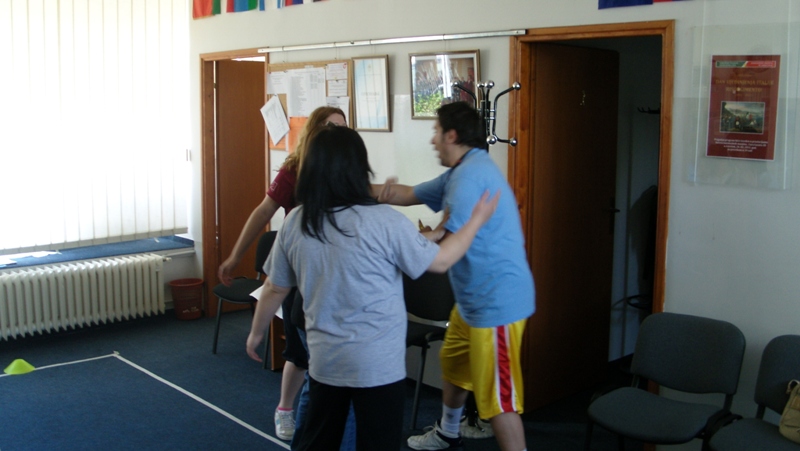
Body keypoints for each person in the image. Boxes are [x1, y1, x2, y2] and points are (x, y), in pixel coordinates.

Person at [245, 125, 499, 451]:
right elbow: (441, 262)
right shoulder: (385, 221)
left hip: (327, 363)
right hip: (379, 367)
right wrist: (476, 220)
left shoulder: (297, 221)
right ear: (359, 169)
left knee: (320, 440)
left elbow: (274, 288)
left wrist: (257, 331)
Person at [375, 101, 535, 451]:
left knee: (499, 400)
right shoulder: (461, 171)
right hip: (472, 300)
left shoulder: (468, 178)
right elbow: (408, 194)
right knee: (454, 362)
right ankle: (449, 432)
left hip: (497, 304)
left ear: (451, 135)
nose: (432, 140)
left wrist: (419, 242)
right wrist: (351, 188)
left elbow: (445, 253)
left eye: (435, 131)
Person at [217, 106, 347, 442]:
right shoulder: (294, 170)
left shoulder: (346, 170)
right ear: (315, 131)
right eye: (331, 127)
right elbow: (263, 212)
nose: (338, 134)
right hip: (298, 271)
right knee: (300, 356)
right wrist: (235, 256)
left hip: (330, 276)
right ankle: (285, 409)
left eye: (343, 128)